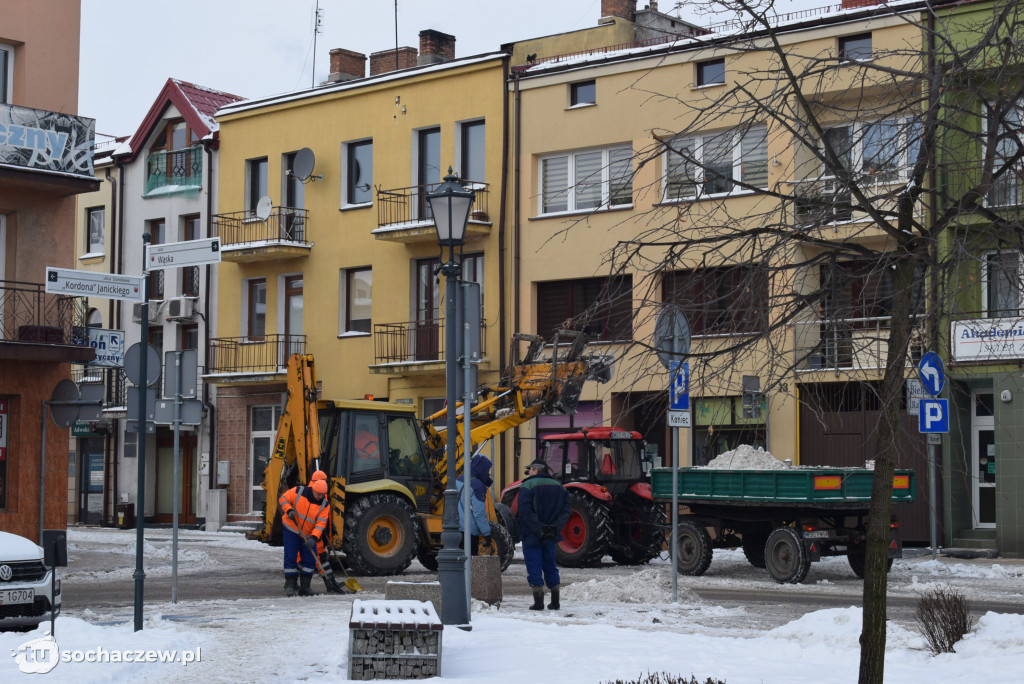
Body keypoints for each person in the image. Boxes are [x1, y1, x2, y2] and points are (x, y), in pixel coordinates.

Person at [516, 459, 571, 611]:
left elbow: (525, 511)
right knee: (550, 565)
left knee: (534, 565)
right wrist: (554, 527)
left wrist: (539, 528)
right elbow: (566, 510)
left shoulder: (527, 485)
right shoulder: (560, 487)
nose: (529, 472)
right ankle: (555, 601)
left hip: (532, 535)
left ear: (536, 470)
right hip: (551, 535)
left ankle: (538, 602)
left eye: (530, 469)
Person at [278, 476, 330, 596]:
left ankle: (305, 588)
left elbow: (320, 523)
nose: (320, 497)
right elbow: (283, 499)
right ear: (313, 490)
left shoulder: (324, 505)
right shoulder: (298, 491)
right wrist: (289, 510)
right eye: (318, 494)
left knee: (310, 559)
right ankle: (290, 585)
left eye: (323, 495)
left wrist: (314, 538)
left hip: (307, 534)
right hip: (291, 528)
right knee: (291, 556)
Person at [456, 455, 493, 556]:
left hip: (454, 528)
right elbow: (479, 513)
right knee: (469, 564)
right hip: (469, 532)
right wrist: (487, 534)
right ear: (482, 469)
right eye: (487, 470)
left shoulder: (459, 479)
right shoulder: (478, 486)